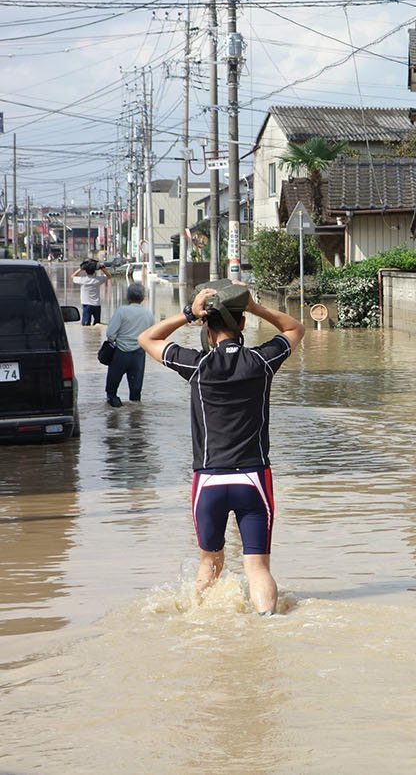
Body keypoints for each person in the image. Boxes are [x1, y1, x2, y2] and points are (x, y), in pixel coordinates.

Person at [138, 282, 306, 614]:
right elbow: (295, 328)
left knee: (209, 565)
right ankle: (267, 624)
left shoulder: (197, 366)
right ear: (242, 324)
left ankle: (199, 628)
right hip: (254, 480)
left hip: (210, 482)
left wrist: (188, 313)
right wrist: (254, 307)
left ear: (207, 327)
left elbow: (147, 339)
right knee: (257, 568)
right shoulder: (261, 361)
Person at [102, 282, 155, 407]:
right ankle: (136, 421)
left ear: (128, 296)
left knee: (111, 390)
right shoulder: (148, 314)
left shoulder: (121, 311)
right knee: (136, 396)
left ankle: (113, 419)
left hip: (120, 354)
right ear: (143, 298)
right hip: (139, 355)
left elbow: (110, 334)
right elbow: (152, 334)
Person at [71, 259, 112, 326]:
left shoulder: (82, 280)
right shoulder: (98, 280)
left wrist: (81, 268)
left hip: (86, 305)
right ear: (94, 271)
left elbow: (72, 276)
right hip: (96, 305)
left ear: (86, 271)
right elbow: (109, 276)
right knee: (97, 324)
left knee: (86, 325)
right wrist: (102, 268)